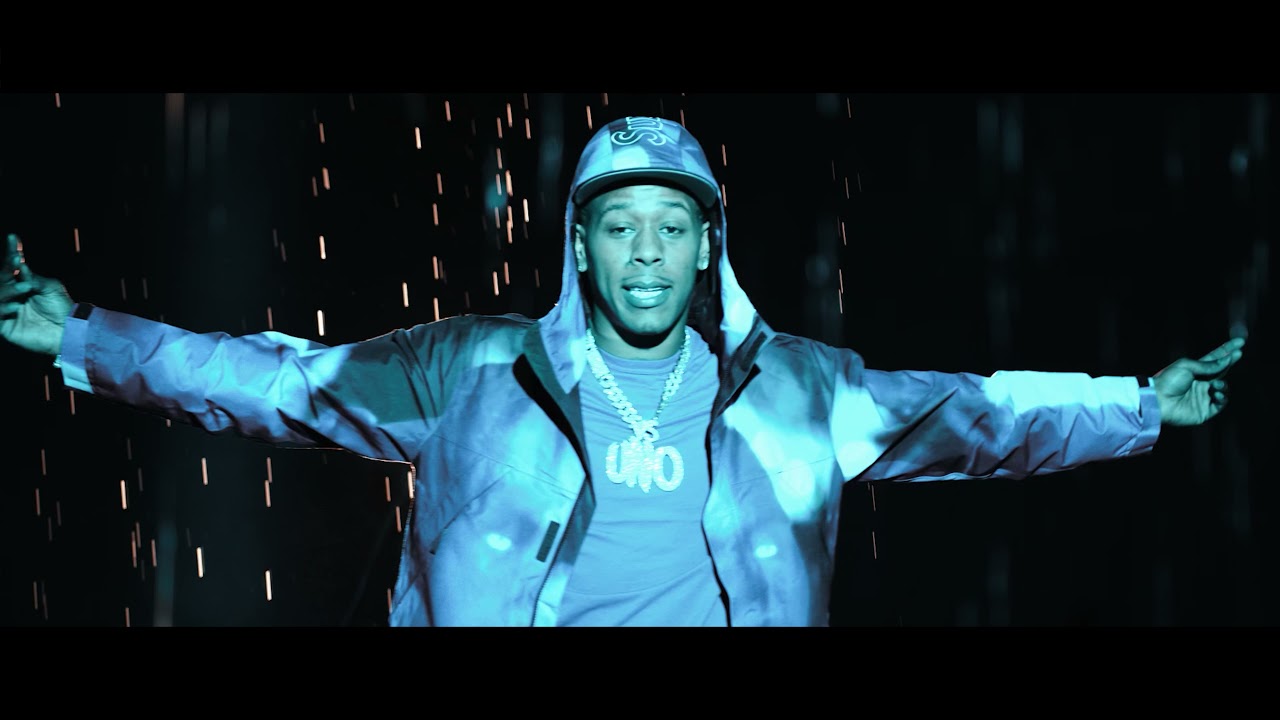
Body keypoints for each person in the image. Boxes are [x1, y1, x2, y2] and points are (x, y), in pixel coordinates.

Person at [0, 115, 1244, 627]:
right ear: (580, 245)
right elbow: (275, 382)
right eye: (618, 227)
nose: (644, 254)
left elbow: (978, 416)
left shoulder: (803, 392)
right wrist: (79, 336)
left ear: (706, 245)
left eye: (669, 227)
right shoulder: (469, 370)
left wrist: (1139, 403)